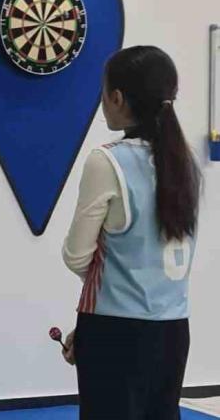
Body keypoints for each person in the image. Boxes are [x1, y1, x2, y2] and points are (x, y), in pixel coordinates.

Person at [61, 46, 201, 419]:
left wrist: (101, 316)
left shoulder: (107, 160)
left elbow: (76, 255)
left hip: (115, 331)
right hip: (173, 332)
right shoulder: (185, 161)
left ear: (118, 98)